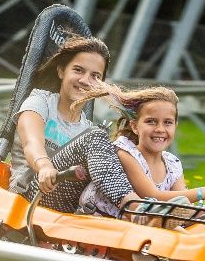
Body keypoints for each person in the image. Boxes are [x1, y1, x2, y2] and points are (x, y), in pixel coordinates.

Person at [9, 34, 137, 216]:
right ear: (62, 71)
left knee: (119, 150)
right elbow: (31, 143)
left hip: (71, 202)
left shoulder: (86, 128)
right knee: (96, 136)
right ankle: (136, 209)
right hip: (32, 190)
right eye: (78, 70)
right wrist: (44, 166)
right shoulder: (40, 102)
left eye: (95, 76)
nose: (85, 80)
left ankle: (153, 208)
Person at [92, 84, 205, 222]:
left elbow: (183, 213)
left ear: (175, 126)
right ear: (135, 126)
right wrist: (203, 192)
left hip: (144, 226)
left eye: (167, 122)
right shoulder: (126, 153)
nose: (160, 129)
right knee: (176, 228)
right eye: (151, 121)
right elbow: (152, 196)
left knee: (187, 227)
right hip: (105, 223)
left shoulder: (172, 164)